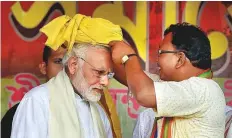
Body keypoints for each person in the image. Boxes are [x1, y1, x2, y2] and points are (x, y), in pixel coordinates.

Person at [11, 14, 123, 138]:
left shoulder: (98, 112)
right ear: (73, 65)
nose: (105, 82)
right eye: (98, 72)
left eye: (109, 74)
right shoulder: (38, 101)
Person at [109, 22, 226, 137]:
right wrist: (105, 50)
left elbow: (144, 93)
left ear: (180, 59)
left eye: (161, 52)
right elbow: (132, 78)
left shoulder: (204, 89)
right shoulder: (177, 87)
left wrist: (129, 57)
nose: (157, 59)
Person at [1, 45, 66, 138]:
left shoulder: (88, 109)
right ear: (44, 67)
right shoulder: (18, 113)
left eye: (73, 62)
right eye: (59, 61)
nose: (66, 69)